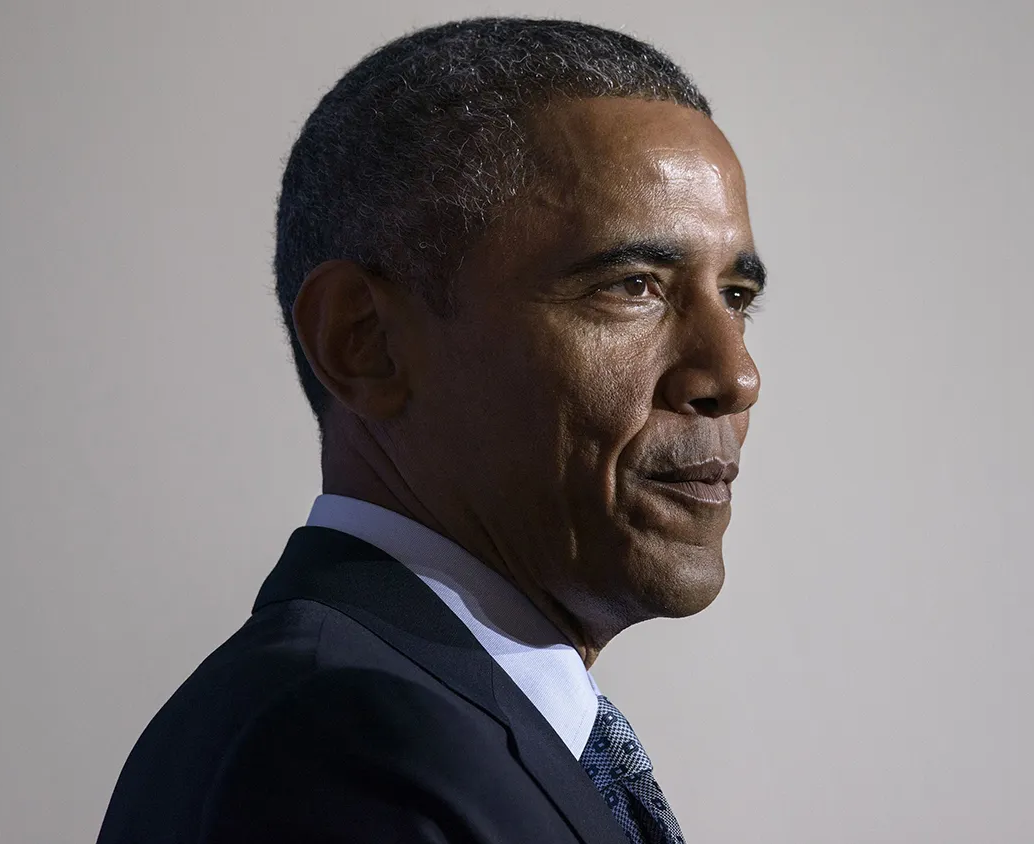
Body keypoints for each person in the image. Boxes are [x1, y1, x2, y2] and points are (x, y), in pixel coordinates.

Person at [96, 17, 763, 844]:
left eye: (736, 296)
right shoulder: (338, 752)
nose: (734, 376)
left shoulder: (442, 721)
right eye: (633, 285)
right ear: (364, 342)